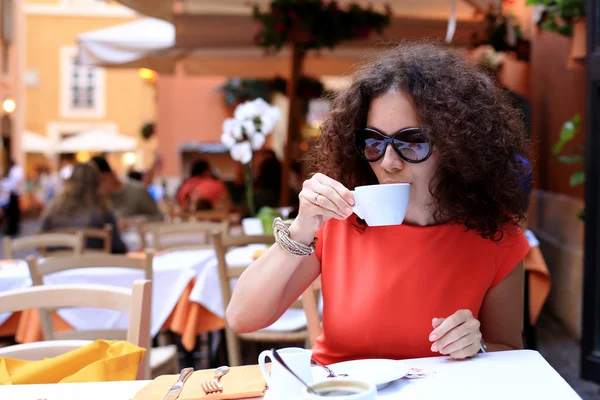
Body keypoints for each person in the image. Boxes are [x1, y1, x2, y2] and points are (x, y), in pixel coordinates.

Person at [226, 41, 532, 364]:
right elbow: (242, 317)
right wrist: (300, 230)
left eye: (412, 142)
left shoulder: (495, 235)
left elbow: (509, 352)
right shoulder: (339, 219)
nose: (388, 162)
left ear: (458, 144)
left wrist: (478, 346)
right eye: (373, 142)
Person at [39, 162, 127, 254]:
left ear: (70, 181)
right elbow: (118, 247)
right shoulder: (103, 212)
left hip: (57, 266)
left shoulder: (53, 208)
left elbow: (40, 242)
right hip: (93, 266)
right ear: (97, 183)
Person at [90, 155, 162, 221]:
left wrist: (136, 220)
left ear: (110, 174)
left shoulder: (137, 191)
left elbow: (158, 216)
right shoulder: (98, 198)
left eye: (102, 180)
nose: (99, 186)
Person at [2, 159, 24, 236]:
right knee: (15, 213)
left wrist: (5, 185)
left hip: (13, 194)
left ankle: (12, 229)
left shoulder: (14, 171)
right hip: (16, 194)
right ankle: (14, 229)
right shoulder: (19, 170)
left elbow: (12, 184)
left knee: (12, 213)